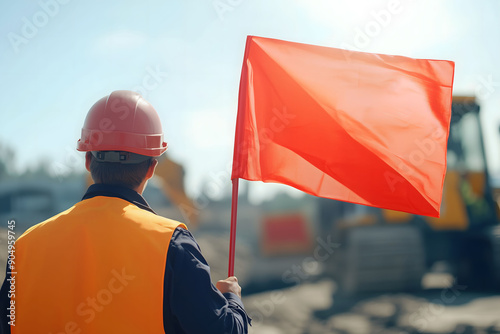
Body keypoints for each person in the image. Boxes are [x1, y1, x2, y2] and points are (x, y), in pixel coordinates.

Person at [0, 90, 251, 333]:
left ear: (88, 161)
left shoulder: (23, 247)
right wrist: (232, 299)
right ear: (152, 168)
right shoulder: (172, 245)